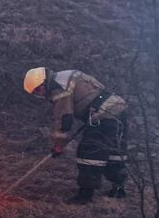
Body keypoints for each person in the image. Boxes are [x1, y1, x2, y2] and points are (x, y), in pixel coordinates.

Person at [23, 67, 128, 204]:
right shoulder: (65, 76)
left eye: (38, 90)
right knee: (112, 152)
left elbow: (64, 119)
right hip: (117, 110)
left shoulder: (58, 88)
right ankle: (119, 188)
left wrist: (58, 145)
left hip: (103, 116)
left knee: (89, 153)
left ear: (42, 82)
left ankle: (85, 195)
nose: (40, 94)